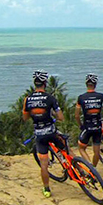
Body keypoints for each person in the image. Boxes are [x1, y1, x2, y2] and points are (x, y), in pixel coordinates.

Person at [22, 70, 65, 198]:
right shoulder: (50, 98)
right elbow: (61, 117)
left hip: (40, 135)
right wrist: (53, 117)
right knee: (66, 150)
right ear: (45, 83)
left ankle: (46, 189)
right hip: (51, 132)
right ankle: (80, 170)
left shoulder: (27, 99)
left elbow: (25, 118)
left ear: (34, 84)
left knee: (44, 164)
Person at [75, 73, 103, 167]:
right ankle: (94, 168)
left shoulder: (81, 97)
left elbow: (77, 116)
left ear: (86, 84)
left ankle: (89, 166)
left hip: (87, 127)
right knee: (97, 153)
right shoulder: (101, 96)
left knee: (81, 148)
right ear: (95, 84)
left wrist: (80, 125)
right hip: (97, 127)